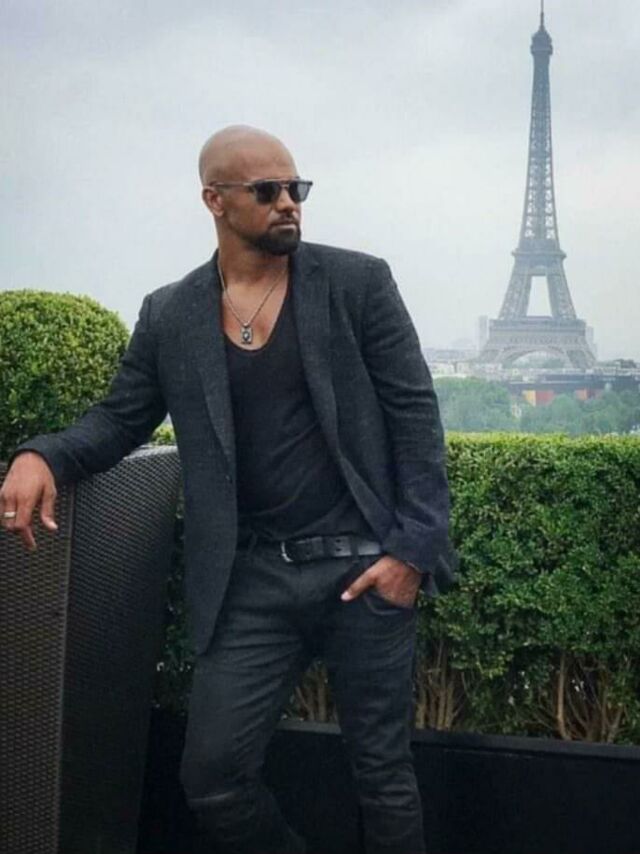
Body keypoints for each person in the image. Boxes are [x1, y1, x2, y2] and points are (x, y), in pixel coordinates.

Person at [0, 125, 456, 854]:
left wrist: (411, 554)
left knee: (383, 775)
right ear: (215, 200)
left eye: (296, 188)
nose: (288, 203)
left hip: (364, 568)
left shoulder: (357, 283)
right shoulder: (171, 313)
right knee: (212, 777)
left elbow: (415, 414)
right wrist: (40, 455)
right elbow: (120, 420)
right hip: (251, 581)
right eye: (267, 190)